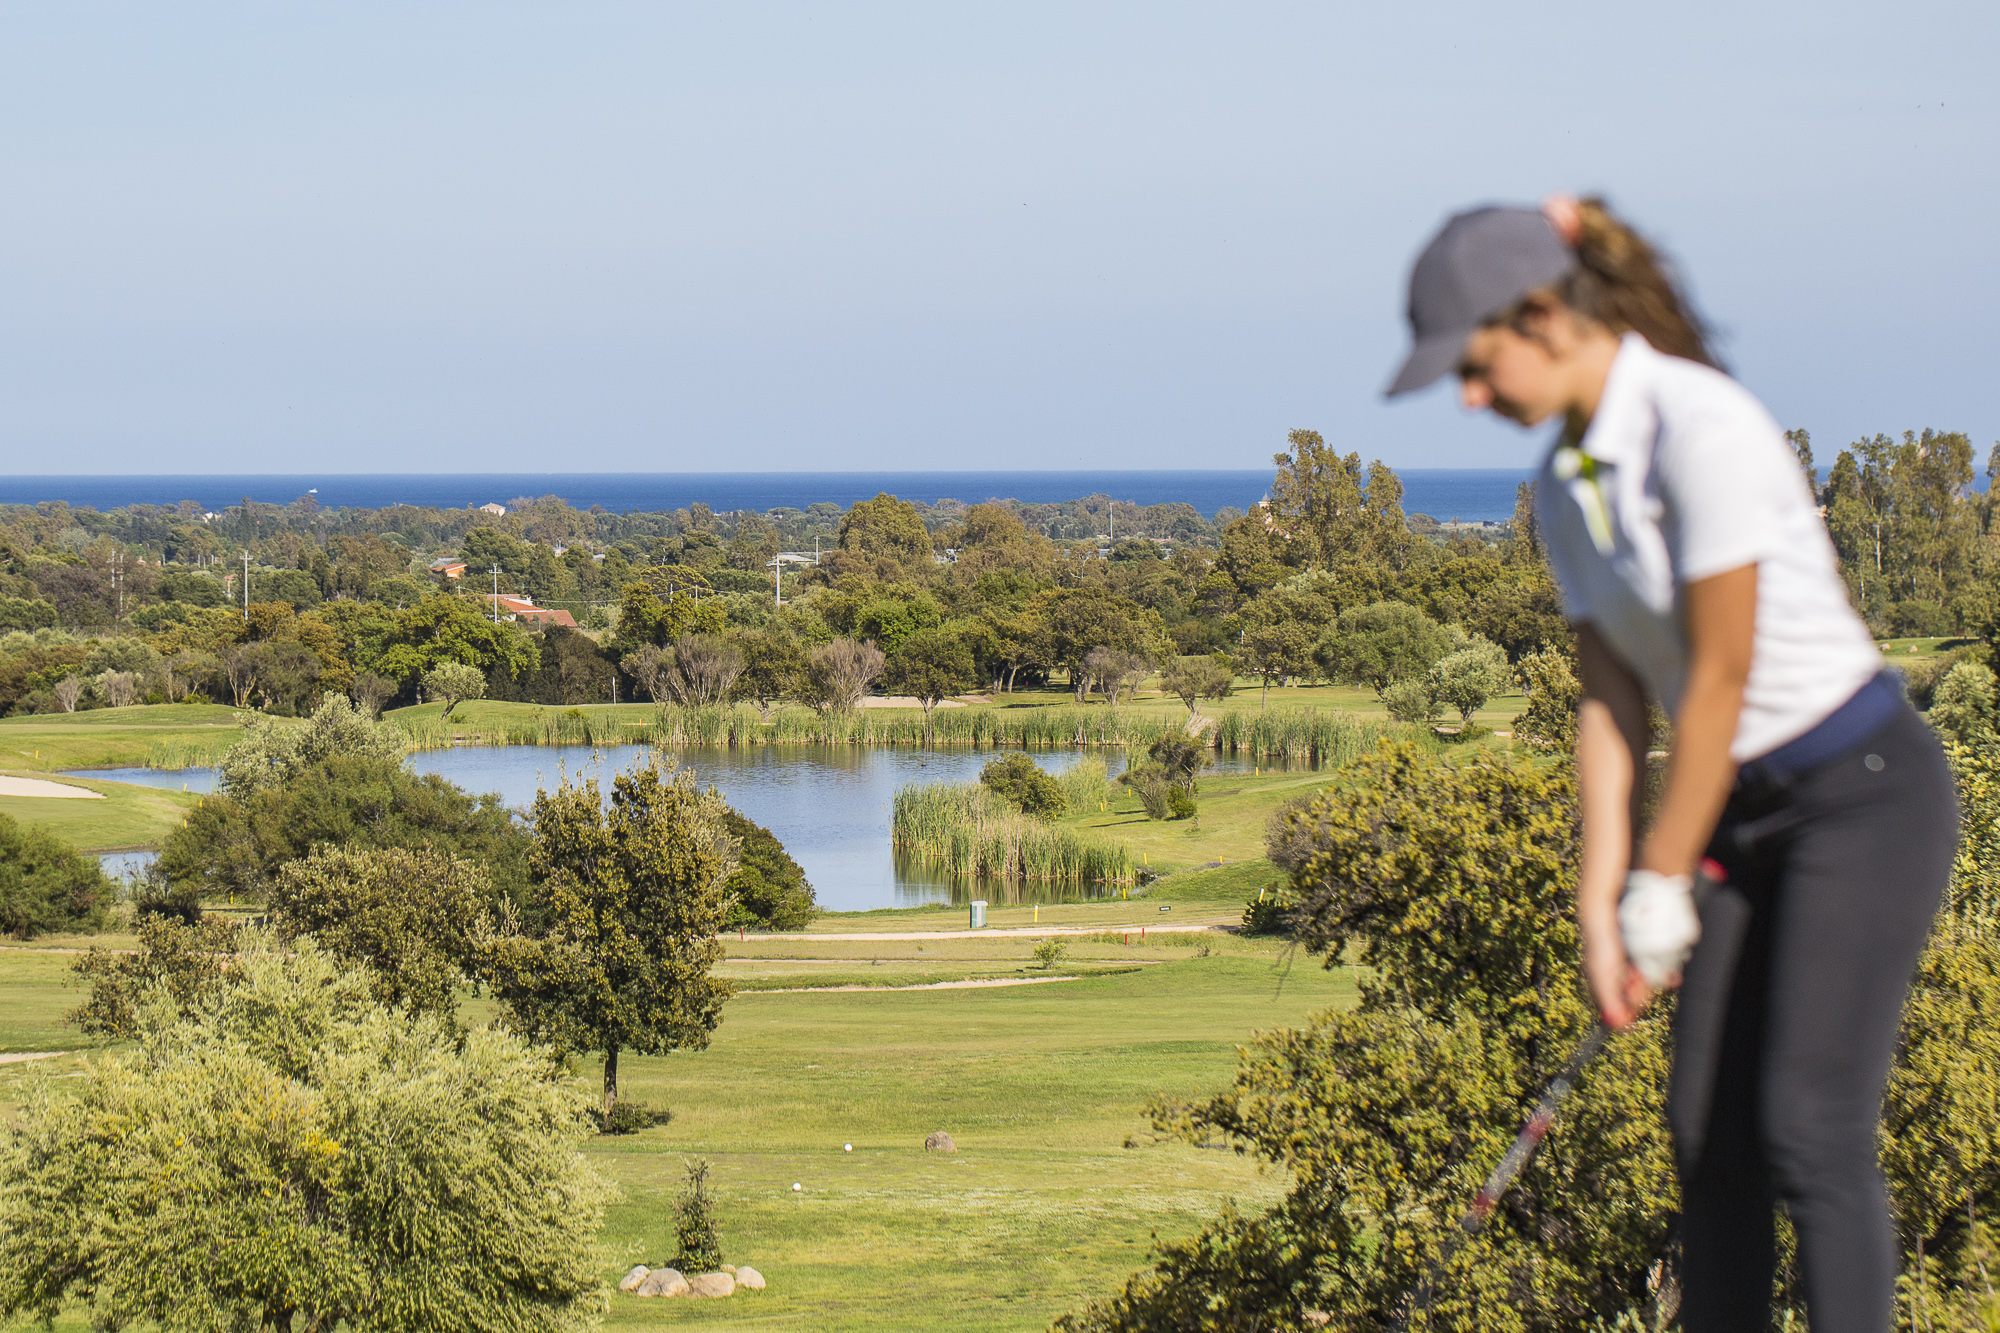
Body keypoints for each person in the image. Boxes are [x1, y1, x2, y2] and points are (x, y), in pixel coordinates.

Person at [1385, 196, 1957, 1333]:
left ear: (1542, 314)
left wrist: (1658, 876)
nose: (1469, 397)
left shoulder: (1700, 425)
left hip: (1860, 796)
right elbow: (1610, 706)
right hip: (1737, 811)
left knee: (1808, 1130)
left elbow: (1721, 676)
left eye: (1474, 364)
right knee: (1706, 1138)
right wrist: (1601, 904)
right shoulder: (1564, 485)